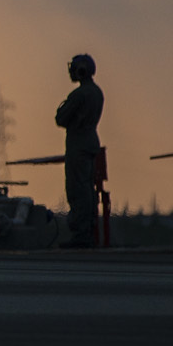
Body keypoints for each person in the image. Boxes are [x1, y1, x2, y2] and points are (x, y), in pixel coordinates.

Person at [55, 53, 104, 249]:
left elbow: (61, 119)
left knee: (78, 188)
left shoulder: (80, 95)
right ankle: (88, 230)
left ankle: (81, 233)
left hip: (78, 143)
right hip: (90, 142)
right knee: (88, 189)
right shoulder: (97, 92)